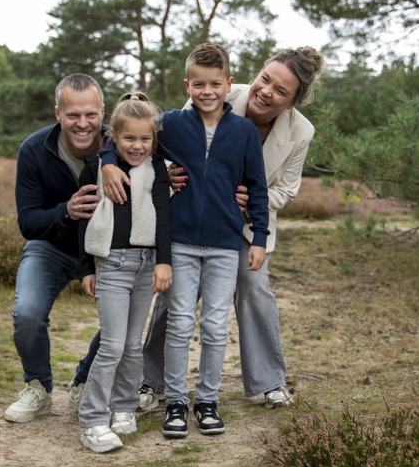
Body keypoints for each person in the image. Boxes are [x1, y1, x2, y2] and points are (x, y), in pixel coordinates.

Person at [76, 47, 325, 411]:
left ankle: (268, 381)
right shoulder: (217, 93)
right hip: (191, 219)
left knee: (254, 288)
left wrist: (252, 198)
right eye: (265, 79)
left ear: (292, 102)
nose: (266, 91)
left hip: (245, 223)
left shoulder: (301, 131)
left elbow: (287, 187)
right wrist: (115, 160)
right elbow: (146, 136)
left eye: (280, 90)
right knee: (173, 295)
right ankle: (153, 379)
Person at [99, 43, 269, 439]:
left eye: (215, 83)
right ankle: (176, 400)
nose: (207, 91)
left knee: (212, 325)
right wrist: (108, 160)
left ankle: (207, 399)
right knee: (177, 323)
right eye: (198, 84)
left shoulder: (243, 131)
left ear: (229, 84)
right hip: (180, 242)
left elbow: (257, 187)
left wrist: (258, 236)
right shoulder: (171, 124)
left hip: (226, 243)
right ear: (186, 84)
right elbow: (125, 136)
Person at [4, 73, 106, 423]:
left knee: (121, 322)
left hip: (106, 253)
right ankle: (38, 387)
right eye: (72, 115)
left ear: (103, 111)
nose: (82, 123)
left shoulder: (121, 146)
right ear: (57, 112)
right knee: (27, 314)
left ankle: (84, 382)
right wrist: (67, 211)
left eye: (91, 114)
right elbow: (28, 222)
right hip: (51, 247)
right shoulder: (34, 149)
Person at [76, 93, 172, 453]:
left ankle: (124, 406)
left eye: (145, 139)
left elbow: (163, 215)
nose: (138, 146)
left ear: (154, 139)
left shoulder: (157, 169)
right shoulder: (98, 168)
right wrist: (87, 267)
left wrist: (164, 261)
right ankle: (92, 420)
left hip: (146, 264)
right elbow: (83, 219)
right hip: (111, 264)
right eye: (129, 138)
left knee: (133, 344)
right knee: (113, 344)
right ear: (113, 135)